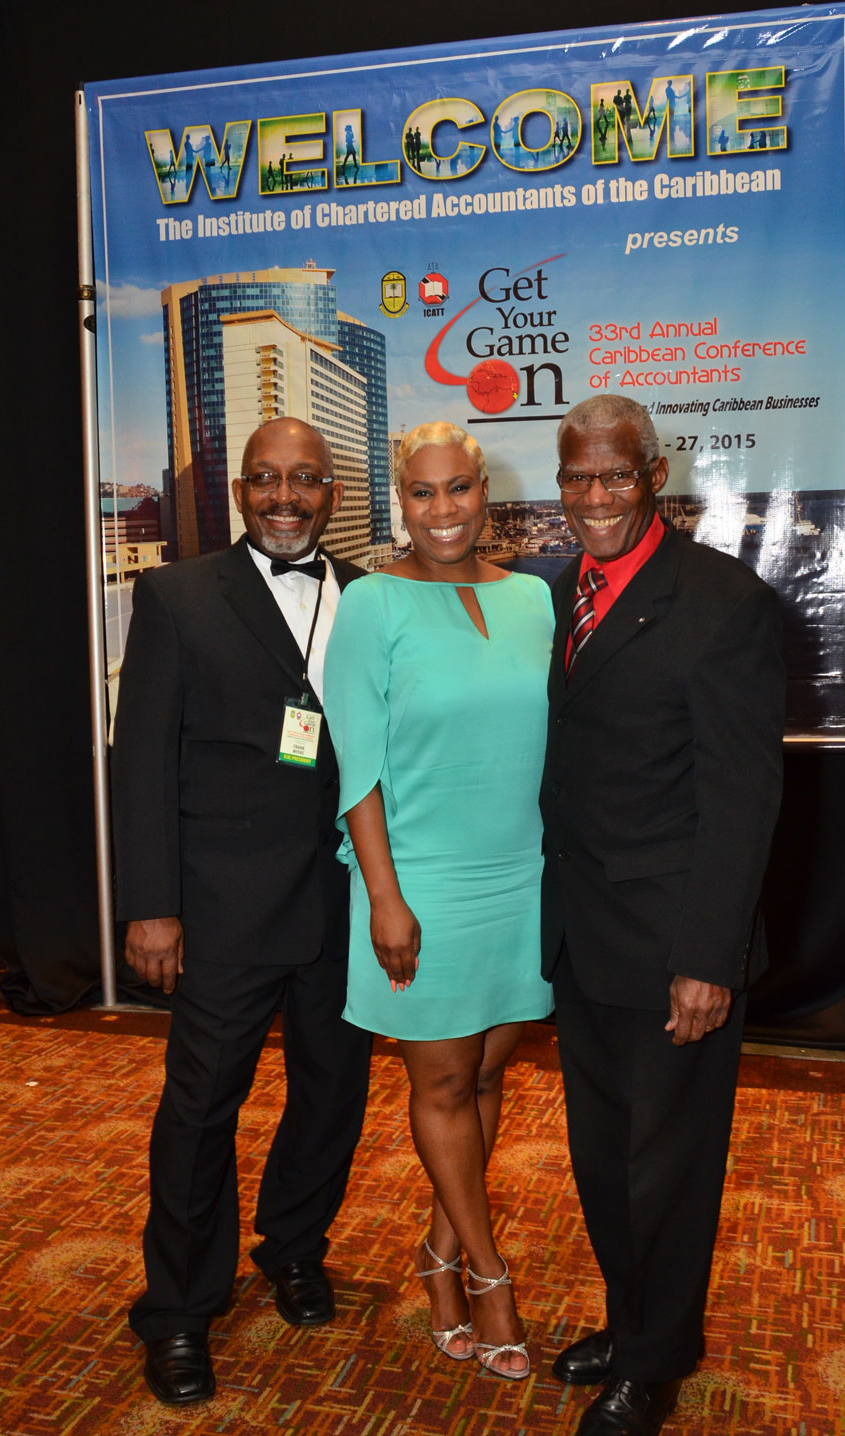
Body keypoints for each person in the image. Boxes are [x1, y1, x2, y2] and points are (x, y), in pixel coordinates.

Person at [112, 417, 372, 1406]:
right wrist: (152, 906)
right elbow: (142, 758)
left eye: (304, 478)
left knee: (333, 1092)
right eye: (266, 478)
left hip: (344, 898)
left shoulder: (372, 595)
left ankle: (295, 1246)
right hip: (221, 905)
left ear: (330, 491)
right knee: (200, 1107)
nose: (284, 496)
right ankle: (179, 1308)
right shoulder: (178, 595)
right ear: (240, 491)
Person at [540, 396, 785, 1435]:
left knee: (668, 1170)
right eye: (576, 477)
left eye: (615, 475)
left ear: (653, 475)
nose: (594, 496)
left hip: (673, 945)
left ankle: (655, 1360)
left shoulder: (724, 602)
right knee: (603, 1158)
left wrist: (708, 957)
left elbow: (741, 797)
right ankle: (630, 1321)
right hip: (581, 935)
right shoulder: (554, 592)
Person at [322, 422, 554, 1380]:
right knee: (446, 1084)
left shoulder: (536, 597)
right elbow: (357, 764)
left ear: (484, 492)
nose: (444, 509)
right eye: (422, 492)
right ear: (400, 502)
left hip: (523, 876)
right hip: (420, 880)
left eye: (459, 488)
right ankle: (487, 1277)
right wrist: (384, 896)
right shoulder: (372, 603)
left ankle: (438, 1253)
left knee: (489, 1075)